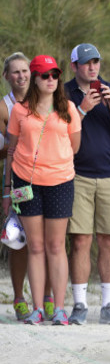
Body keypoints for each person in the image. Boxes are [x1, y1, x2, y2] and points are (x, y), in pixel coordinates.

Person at [3, 55, 81, 325]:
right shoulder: (19, 111)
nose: (51, 80)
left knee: (56, 246)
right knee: (35, 247)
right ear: (35, 79)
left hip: (60, 182)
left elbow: (75, 147)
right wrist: (8, 188)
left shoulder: (68, 108)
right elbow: (11, 150)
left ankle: (58, 308)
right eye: (45, 75)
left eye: (54, 75)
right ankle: (37, 308)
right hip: (26, 183)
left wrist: (53, 162)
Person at [65, 43, 110, 325]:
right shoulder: (63, 93)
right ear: (74, 66)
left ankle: (109, 305)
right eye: (86, 63)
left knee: (108, 240)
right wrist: (81, 110)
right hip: (77, 175)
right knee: (80, 240)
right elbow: (59, 136)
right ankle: (79, 304)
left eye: (95, 62)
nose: (92, 67)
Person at [2, 52, 41, 321]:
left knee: (49, 240)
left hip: (47, 177)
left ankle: (47, 298)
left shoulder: (45, 100)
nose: (21, 76)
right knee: (19, 242)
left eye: (25, 71)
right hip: (16, 179)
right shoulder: (3, 107)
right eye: (15, 72)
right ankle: (18, 298)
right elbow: (5, 149)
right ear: (6, 76)